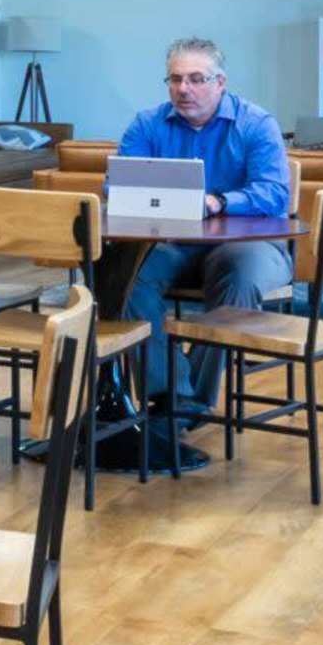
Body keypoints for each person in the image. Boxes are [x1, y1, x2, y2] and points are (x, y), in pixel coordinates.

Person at [114, 36, 297, 467]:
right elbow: (117, 187)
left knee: (239, 273)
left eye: (196, 79)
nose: (184, 89)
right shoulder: (147, 125)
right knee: (127, 276)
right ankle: (172, 395)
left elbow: (273, 194)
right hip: (174, 243)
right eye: (176, 79)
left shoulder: (255, 124)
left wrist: (217, 202)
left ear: (220, 82)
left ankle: (186, 407)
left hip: (249, 244)